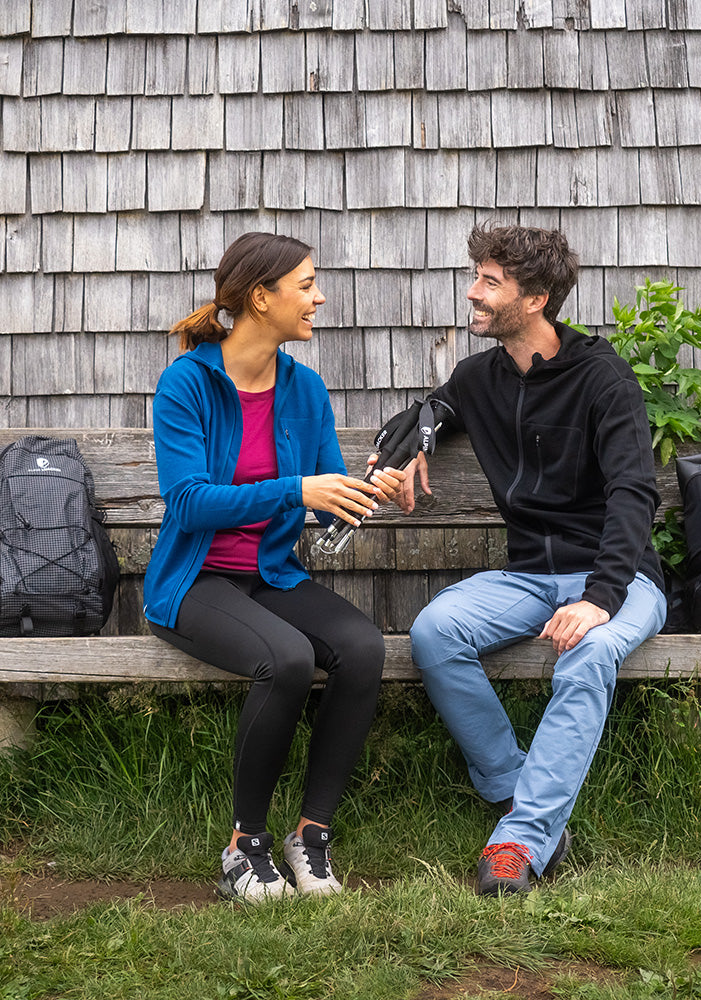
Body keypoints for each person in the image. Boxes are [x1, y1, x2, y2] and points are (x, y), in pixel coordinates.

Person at [401, 223, 667, 895]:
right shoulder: (480, 377)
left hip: (620, 576)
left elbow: (635, 494)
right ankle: (521, 796)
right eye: (477, 277)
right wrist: (415, 443)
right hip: (528, 575)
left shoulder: (603, 377)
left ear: (537, 298)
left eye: (491, 283)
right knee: (435, 631)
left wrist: (600, 599)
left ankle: (517, 845)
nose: (474, 293)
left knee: (588, 652)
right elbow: (432, 410)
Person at [143, 232, 405, 903]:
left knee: (361, 646)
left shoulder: (305, 387)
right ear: (262, 297)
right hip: (196, 581)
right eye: (306, 284)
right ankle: (244, 845)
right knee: (286, 658)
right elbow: (189, 503)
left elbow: (323, 507)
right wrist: (297, 490)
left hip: (269, 575)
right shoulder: (187, 384)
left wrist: (366, 493)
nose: (318, 298)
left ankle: (311, 836)